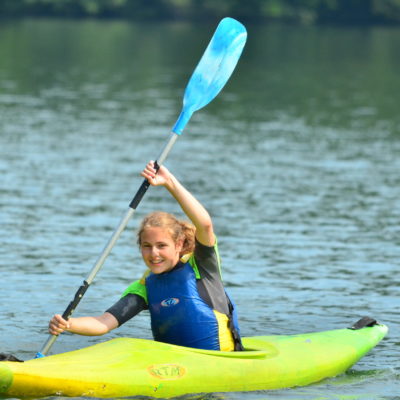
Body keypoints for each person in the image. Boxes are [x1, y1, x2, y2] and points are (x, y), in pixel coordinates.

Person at [49, 161, 243, 351]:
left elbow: (205, 225)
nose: (154, 254)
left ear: (179, 244)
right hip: (175, 367)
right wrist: (68, 324)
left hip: (220, 361)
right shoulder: (144, 287)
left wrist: (170, 183)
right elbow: (103, 323)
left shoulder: (201, 266)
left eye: (161, 246)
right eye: (146, 246)